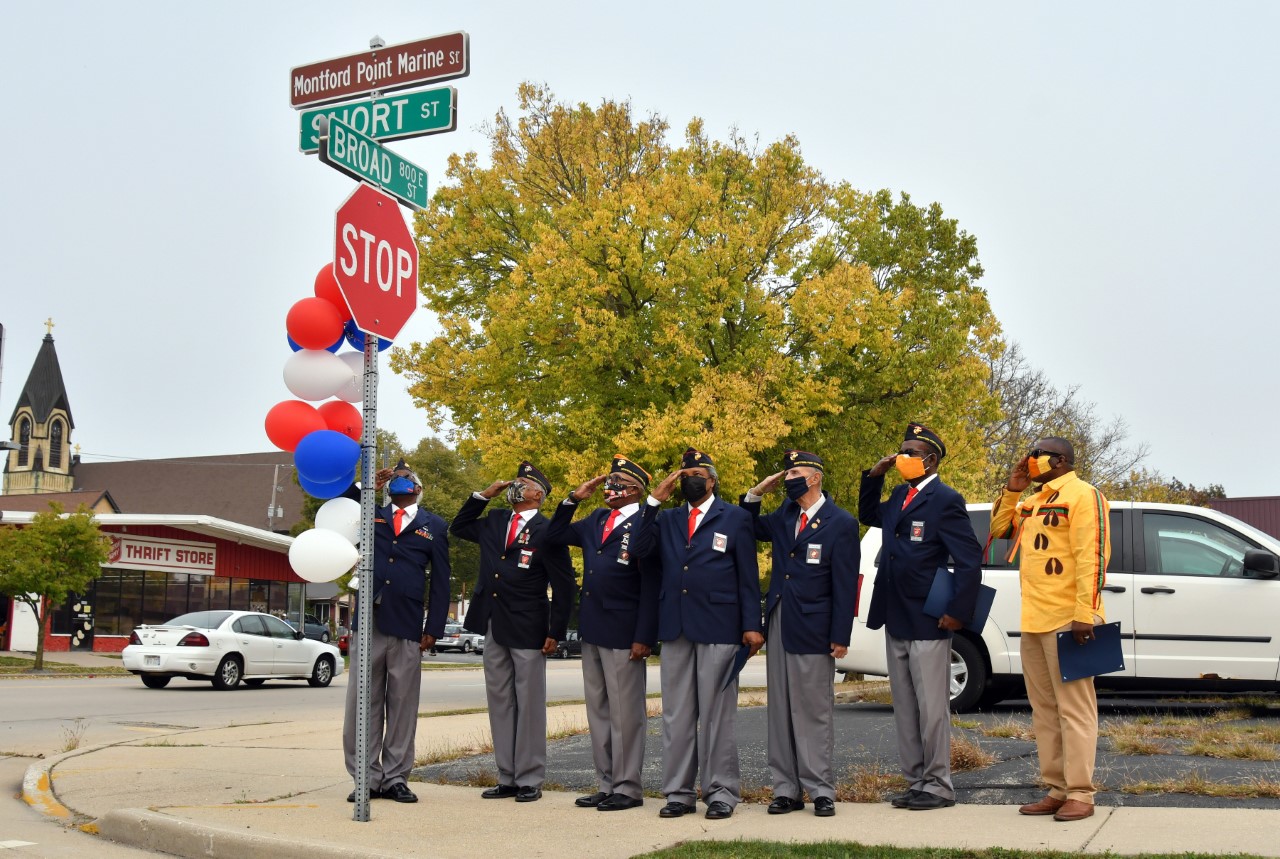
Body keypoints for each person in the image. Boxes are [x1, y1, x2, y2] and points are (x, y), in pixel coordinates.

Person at [634, 448, 764, 821]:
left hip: (720, 626)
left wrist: (751, 625)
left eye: (695, 473)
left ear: (711, 480)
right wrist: (652, 503)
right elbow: (639, 551)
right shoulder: (668, 518)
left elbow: (747, 574)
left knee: (717, 715)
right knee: (675, 715)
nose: (688, 479)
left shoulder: (735, 517)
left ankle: (721, 792)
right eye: (683, 473)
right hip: (676, 627)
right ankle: (678, 793)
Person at [858, 424, 982, 811]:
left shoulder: (946, 500)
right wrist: (873, 477)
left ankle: (939, 785)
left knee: (932, 709)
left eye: (911, 452)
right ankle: (917, 781)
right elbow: (868, 515)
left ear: (931, 459)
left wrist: (957, 612)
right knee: (906, 706)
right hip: (895, 613)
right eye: (901, 450)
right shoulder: (899, 494)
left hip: (929, 617)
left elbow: (968, 560)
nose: (903, 457)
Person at [991, 436, 1110, 822]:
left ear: (1058, 460)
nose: (1030, 458)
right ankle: (1057, 788)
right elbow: (1000, 529)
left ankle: (1080, 792)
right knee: (1045, 710)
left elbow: (1091, 554)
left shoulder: (1083, 495)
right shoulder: (1036, 499)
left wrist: (1085, 613)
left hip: (1068, 618)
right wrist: (1013, 489)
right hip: (1034, 618)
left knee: (1075, 710)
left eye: (1036, 453)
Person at [741, 449, 859, 818]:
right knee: (780, 710)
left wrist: (841, 634)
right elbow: (748, 527)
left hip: (816, 626)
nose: (788, 476)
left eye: (795, 471)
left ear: (815, 477)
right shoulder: (784, 515)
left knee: (813, 711)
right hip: (780, 620)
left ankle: (821, 790)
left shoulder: (840, 522)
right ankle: (785, 789)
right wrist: (756, 494)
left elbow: (845, 584)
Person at [451, 461, 576, 803]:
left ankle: (530, 778)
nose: (516, 486)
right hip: (492, 621)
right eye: (516, 481)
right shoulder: (493, 521)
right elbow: (459, 527)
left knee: (530, 704)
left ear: (538, 494)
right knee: (501, 702)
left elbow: (564, 586)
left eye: (523, 482)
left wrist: (556, 631)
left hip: (529, 626)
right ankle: (506, 775)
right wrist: (482, 496)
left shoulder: (548, 531)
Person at [545, 454, 659, 812]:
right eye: (608, 484)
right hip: (593, 626)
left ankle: (628, 787)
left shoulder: (647, 521)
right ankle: (606, 783)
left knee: (626, 714)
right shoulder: (596, 519)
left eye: (618, 485)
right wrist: (572, 500)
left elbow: (651, 584)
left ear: (636, 491)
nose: (609, 490)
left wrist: (644, 635)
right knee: (598, 711)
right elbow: (554, 535)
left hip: (626, 629)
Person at [343, 459, 451, 804]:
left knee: (402, 704)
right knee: (363, 703)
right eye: (396, 477)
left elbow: (441, 582)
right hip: (369, 620)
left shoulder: (433, 525)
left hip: (407, 625)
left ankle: (395, 778)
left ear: (418, 488)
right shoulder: (371, 514)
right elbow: (342, 499)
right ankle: (366, 777)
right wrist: (368, 484)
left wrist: (434, 627)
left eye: (406, 478)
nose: (399, 481)